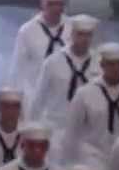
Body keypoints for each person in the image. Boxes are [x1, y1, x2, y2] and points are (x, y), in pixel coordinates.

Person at [60, 43, 119, 170]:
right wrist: (66, 163)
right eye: (111, 64)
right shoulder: (85, 93)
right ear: (102, 65)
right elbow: (72, 130)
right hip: (92, 155)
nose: (116, 68)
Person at [32, 14, 98, 149]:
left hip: (86, 129)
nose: (85, 39)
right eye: (80, 34)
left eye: (88, 35)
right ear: (72, 34)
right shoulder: (53, 61)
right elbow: (39, 97)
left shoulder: (99, 62)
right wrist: (32, 127)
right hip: (57, 126)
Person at [9, 0, 70, 96]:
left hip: (64, 93)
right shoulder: (27, 30)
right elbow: (18, 65)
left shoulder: (72, 28)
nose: (55, 9)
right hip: (34, 90)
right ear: (42, 4)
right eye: (51, 4)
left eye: (59, 4)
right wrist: (15, 94)